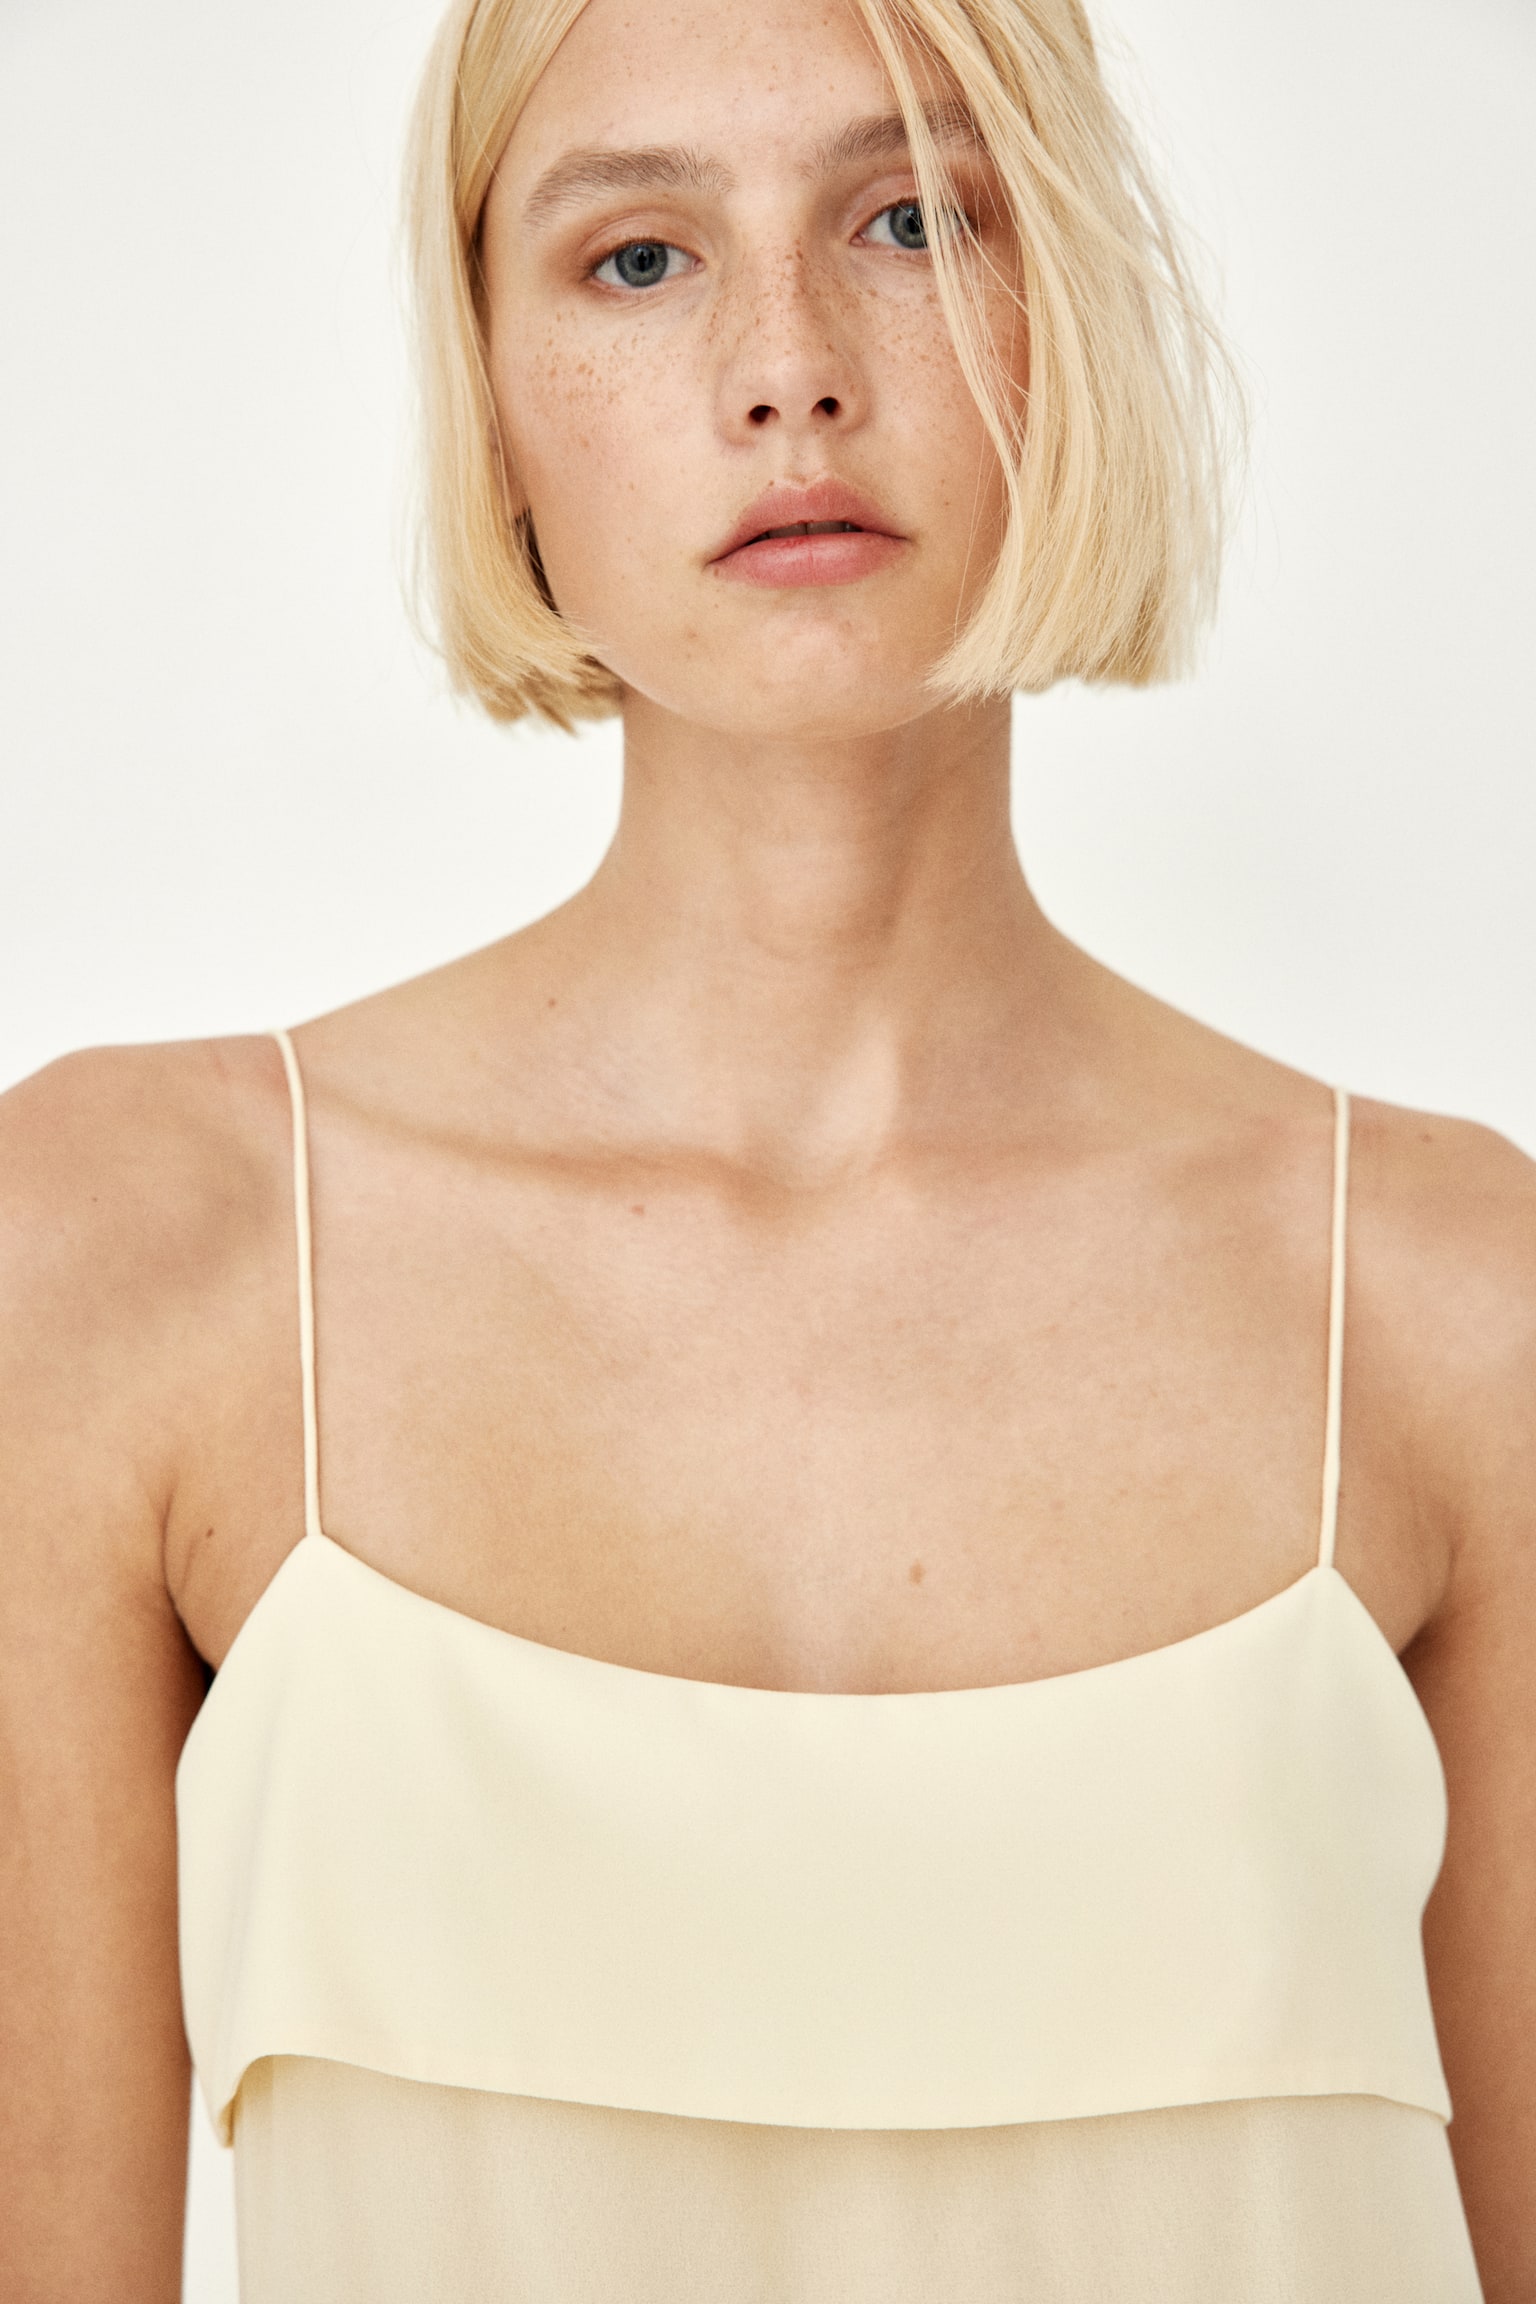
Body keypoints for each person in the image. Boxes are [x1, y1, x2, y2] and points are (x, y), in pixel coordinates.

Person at [1, 0, 1532, 2293]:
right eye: (639, 258)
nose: (789, 369)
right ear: (489, 393)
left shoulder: (1455, 1306)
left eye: (910, 220)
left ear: (1066, 311)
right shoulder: (129, 1258)